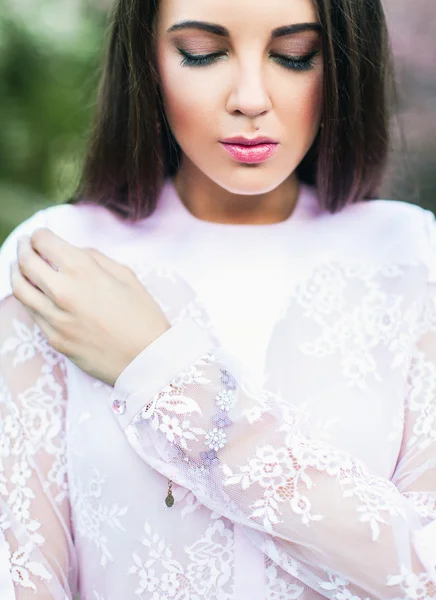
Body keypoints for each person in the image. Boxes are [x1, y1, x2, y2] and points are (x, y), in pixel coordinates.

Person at [0, 0, 435, 598]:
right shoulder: (58, 260)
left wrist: (159, 372)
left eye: (294, 56)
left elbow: (422, 570)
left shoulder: (411, 257)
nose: (251, 98)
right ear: (146, 58)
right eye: (203, 52)